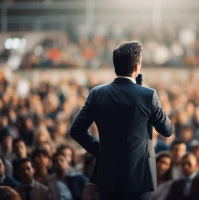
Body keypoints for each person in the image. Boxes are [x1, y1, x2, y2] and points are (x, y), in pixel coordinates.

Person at [69, 41, 174, 200]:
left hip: (107, 175)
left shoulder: (97, 93)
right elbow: (167, 130)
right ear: (137, 67)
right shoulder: (148, 95)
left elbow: (76, 130)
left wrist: (101, 150)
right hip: (140, 176)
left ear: (115, 66)